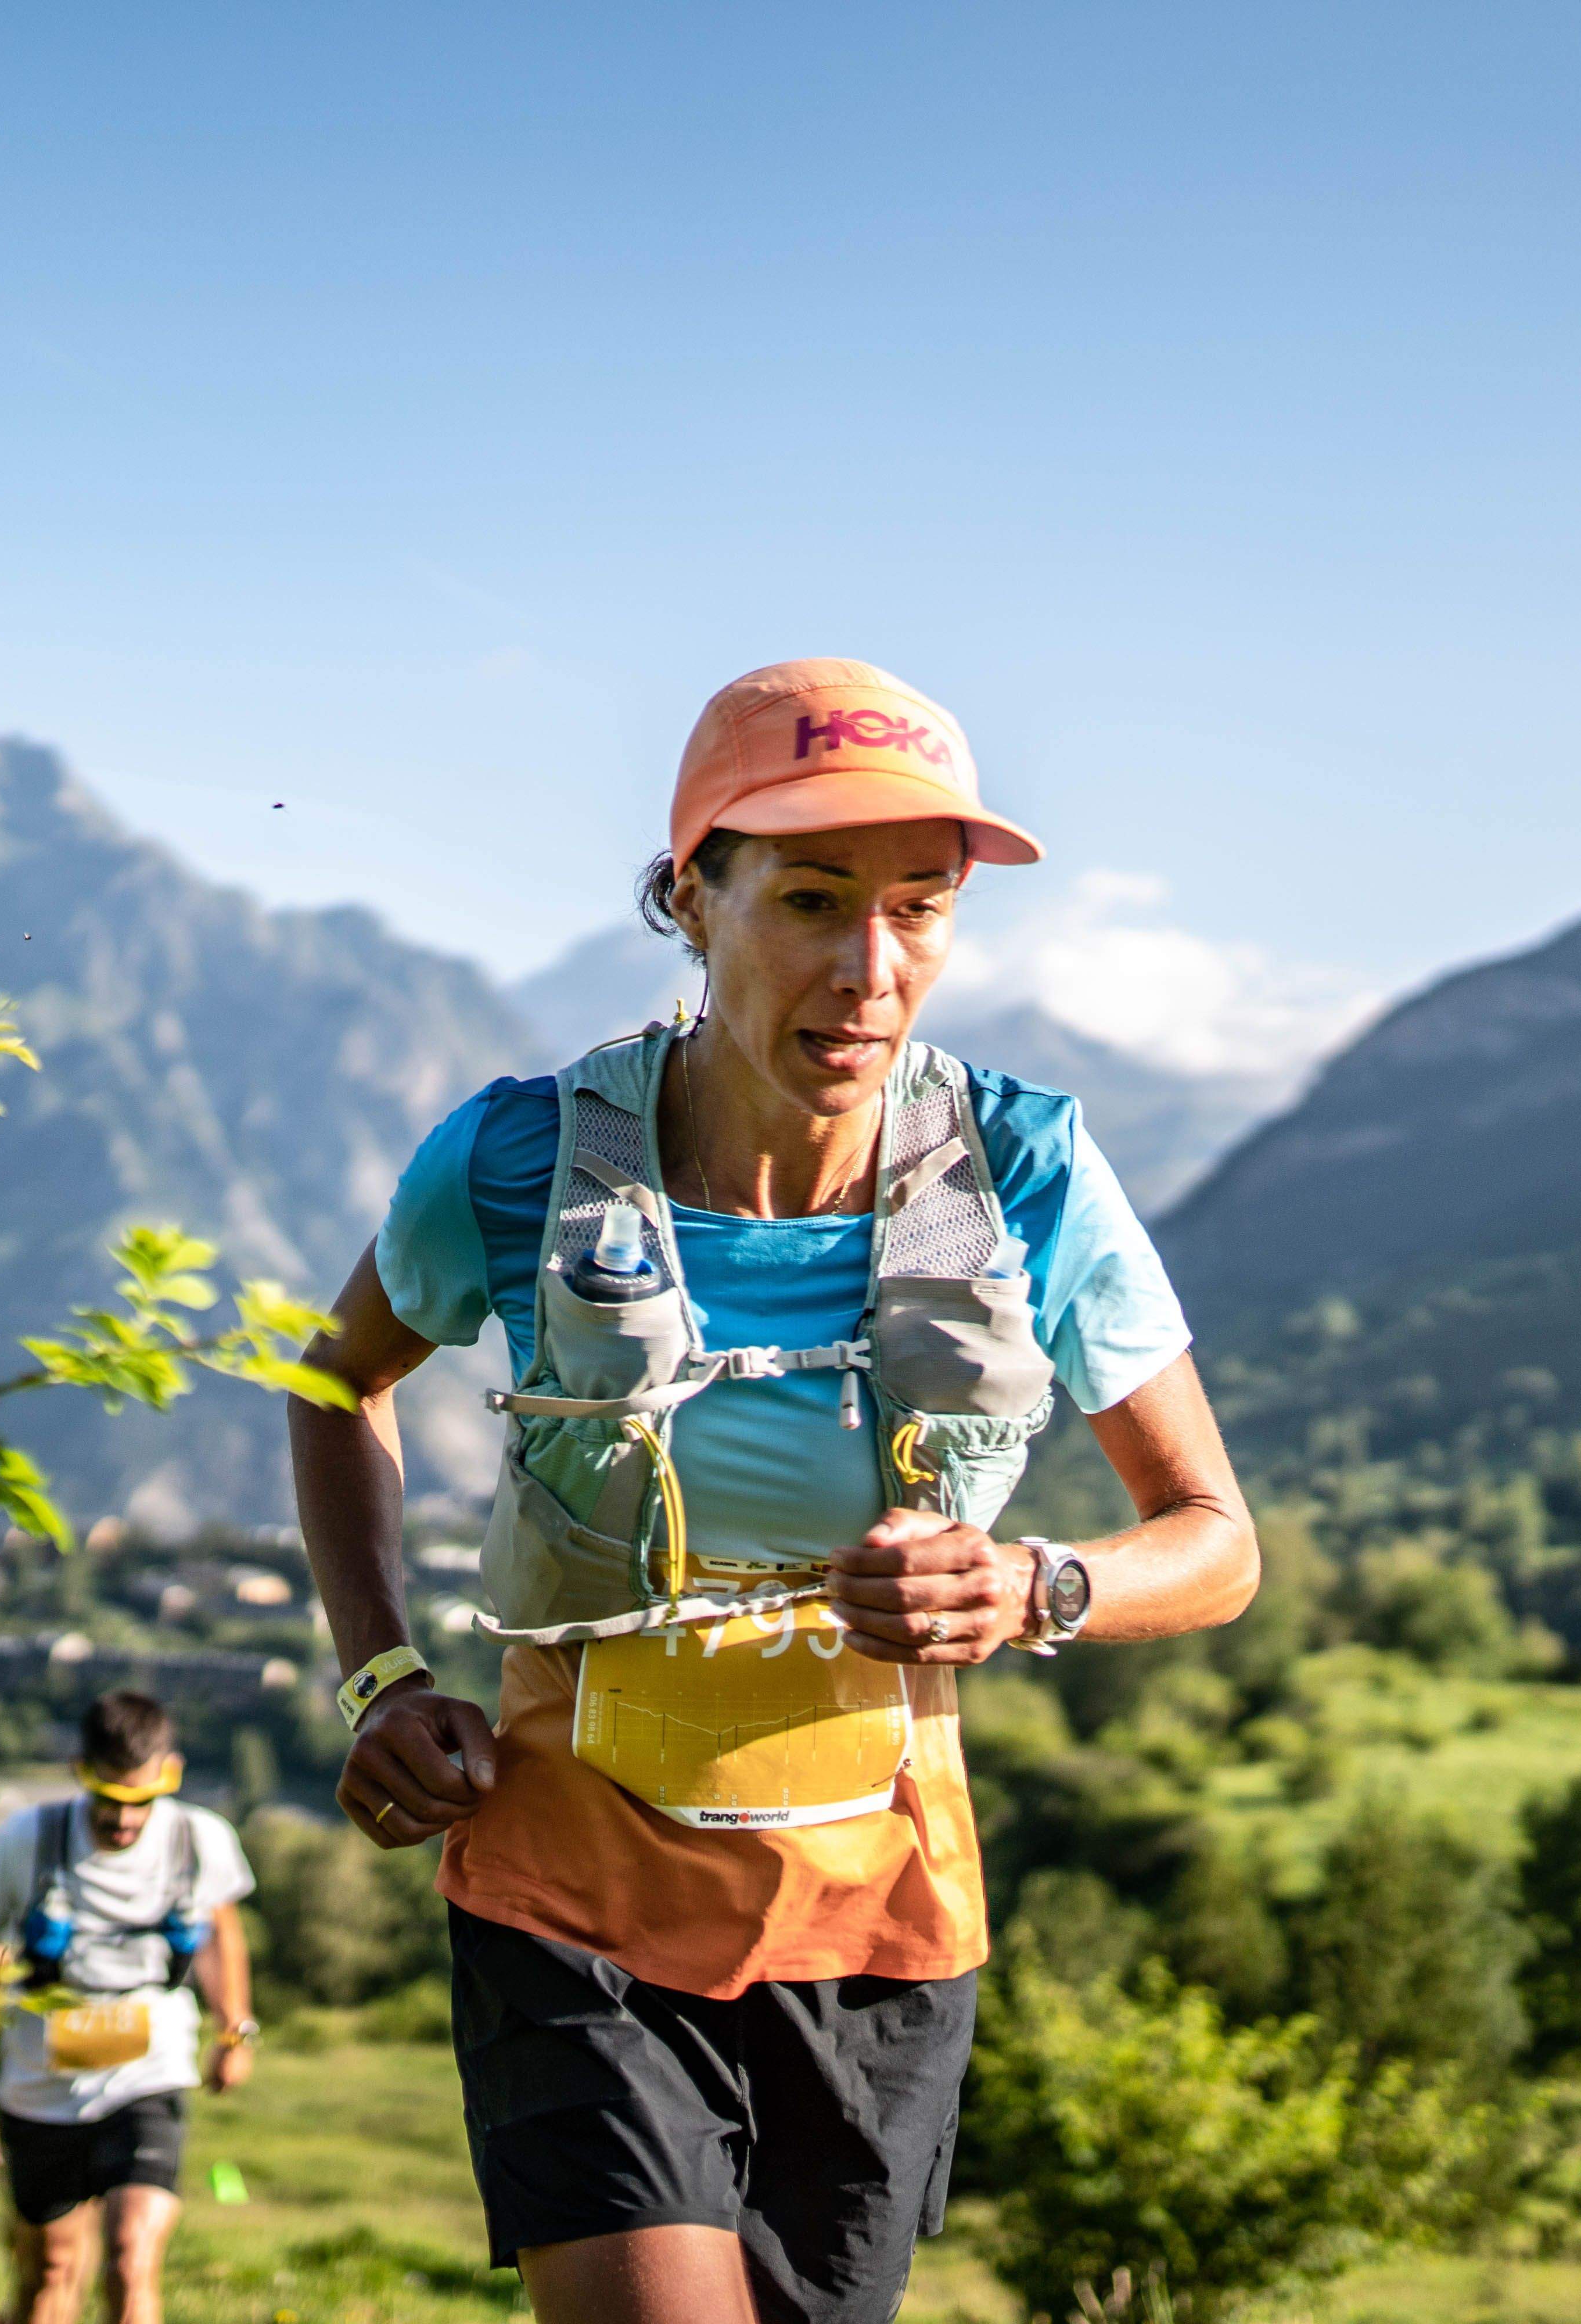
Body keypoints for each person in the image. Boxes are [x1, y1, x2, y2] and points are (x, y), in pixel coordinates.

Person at [284, 658, 1262, 2324]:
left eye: (921, 910)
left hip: (879, 1920)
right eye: (812, 901)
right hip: (568, 1897)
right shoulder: (517, 1163)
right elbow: (334, 1382)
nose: (871, 970)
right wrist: (380, 1674)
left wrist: (1037, 1588)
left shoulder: (1025, 1169)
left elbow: (1216, 1547)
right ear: (691, 897)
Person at [0, 1689, 261, 2324]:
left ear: (171, 1776)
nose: (122, 1820)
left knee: (130, 2257)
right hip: (41, 2088)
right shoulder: (27, 1839)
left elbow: (219, 1930)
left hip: (150, 2072)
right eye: (108, 1798)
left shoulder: (201, 1838)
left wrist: (235, 2029)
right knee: (49, 2276)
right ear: (80, 1772)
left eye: (140, 1801)